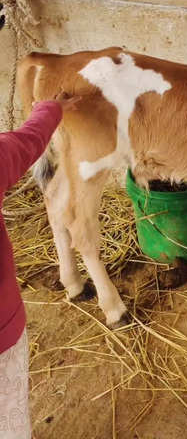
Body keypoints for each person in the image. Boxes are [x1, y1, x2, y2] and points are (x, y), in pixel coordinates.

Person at [0, 95, 78, 439]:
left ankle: (70, 274)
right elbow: (27, 141)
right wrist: (50, 107)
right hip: (3, 329)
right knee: (9, 412)